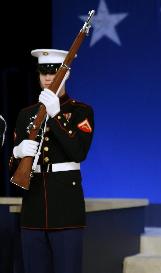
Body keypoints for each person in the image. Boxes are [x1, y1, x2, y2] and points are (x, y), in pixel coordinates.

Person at [9, 49, 94, 273]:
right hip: (33, 210)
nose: (48, 77)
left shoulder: (80, 112)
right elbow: (13, 169)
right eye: (43, 71)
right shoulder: (26, 114)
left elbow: (78, 152)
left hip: (66, 210)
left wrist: (56, 116)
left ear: (66, 74)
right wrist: (17, 153)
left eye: (54, 71)